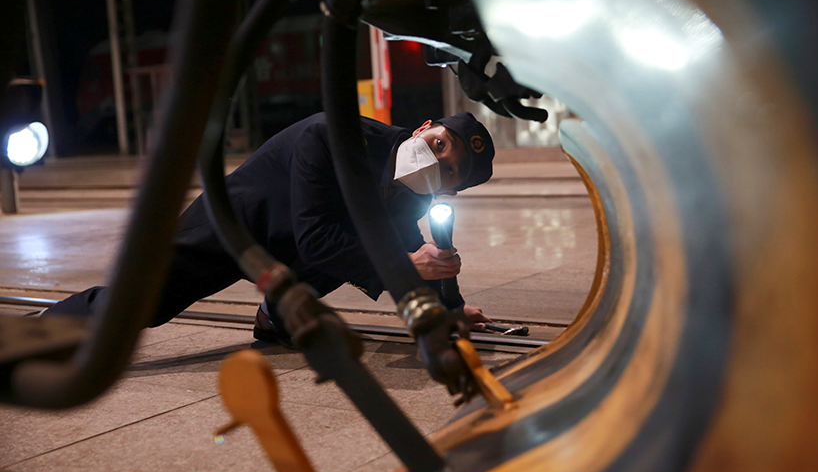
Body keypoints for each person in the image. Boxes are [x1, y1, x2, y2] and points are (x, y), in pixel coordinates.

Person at [45, 111, 495, 341]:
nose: (435, 160)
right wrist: (405, 264)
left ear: (452, 190)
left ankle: (276, 319)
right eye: (439, 144)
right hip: (236, 226)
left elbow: (411, 247)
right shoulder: (333, 135)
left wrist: (448, 307)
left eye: (450, 170)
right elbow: (320, 239)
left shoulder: (414, 192)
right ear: (423, 128)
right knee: (141, 307)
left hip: (296, 249)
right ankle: (37, 329)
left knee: (367, 246)